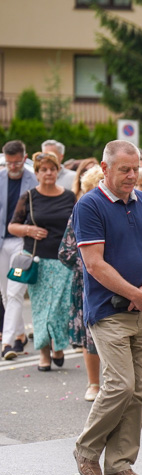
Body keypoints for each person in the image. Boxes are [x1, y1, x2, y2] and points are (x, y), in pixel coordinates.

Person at [73, 140, 142, 475]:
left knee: (138, 391)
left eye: (136, 168)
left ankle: (119, 464)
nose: (132, 175)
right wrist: (135, 294)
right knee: (120, 386)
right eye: (124, 169)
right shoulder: (90, 205)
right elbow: (95, 265)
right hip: (109, 310)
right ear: (104, 167)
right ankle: (86, 449)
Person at [7, 151, 75, 371]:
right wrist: (29, 229)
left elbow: (77, 225)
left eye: (52, 169)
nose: (48, 173)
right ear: (36, 173)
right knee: (41, 309)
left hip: (63, 261)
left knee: (60, 308)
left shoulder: (69, 196)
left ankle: (58, 346)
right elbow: (12, 226)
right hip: (38, 261)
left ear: (58, 171)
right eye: (43, 169)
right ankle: (44, 353)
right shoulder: (28, 196)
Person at [59, 165, 103, 401]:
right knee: (91, 335)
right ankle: (93, 383)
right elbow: (66, 251)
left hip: (124, 280)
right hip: (88, 283)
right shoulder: (82, 210)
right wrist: (92, 266)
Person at [1, 140, 37, 360]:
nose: (13, 166)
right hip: (1, 242)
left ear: (25, 158)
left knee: (15, 291)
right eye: (9, 162)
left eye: (17, 162)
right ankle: (20, 335)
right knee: (5, 293)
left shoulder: (33, 180)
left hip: (22, 243)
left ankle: (7, 343)